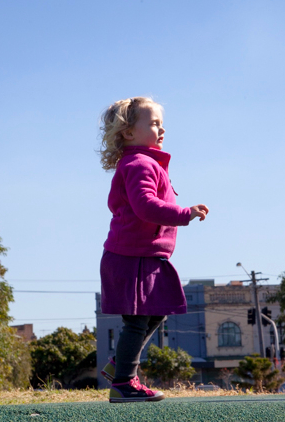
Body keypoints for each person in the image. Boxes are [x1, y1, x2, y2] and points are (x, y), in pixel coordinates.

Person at [98, 96, 209, 403]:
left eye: (162, 123)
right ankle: (124, 383)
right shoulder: (139, 164)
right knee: (137, 318)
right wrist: (185, 213)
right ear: (128, 132)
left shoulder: (147, 163)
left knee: (157, 312)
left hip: (144, 256)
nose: (162, 129)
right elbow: (146, 206)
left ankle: (122, 365)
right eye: (154, 123)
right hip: (131, 257)